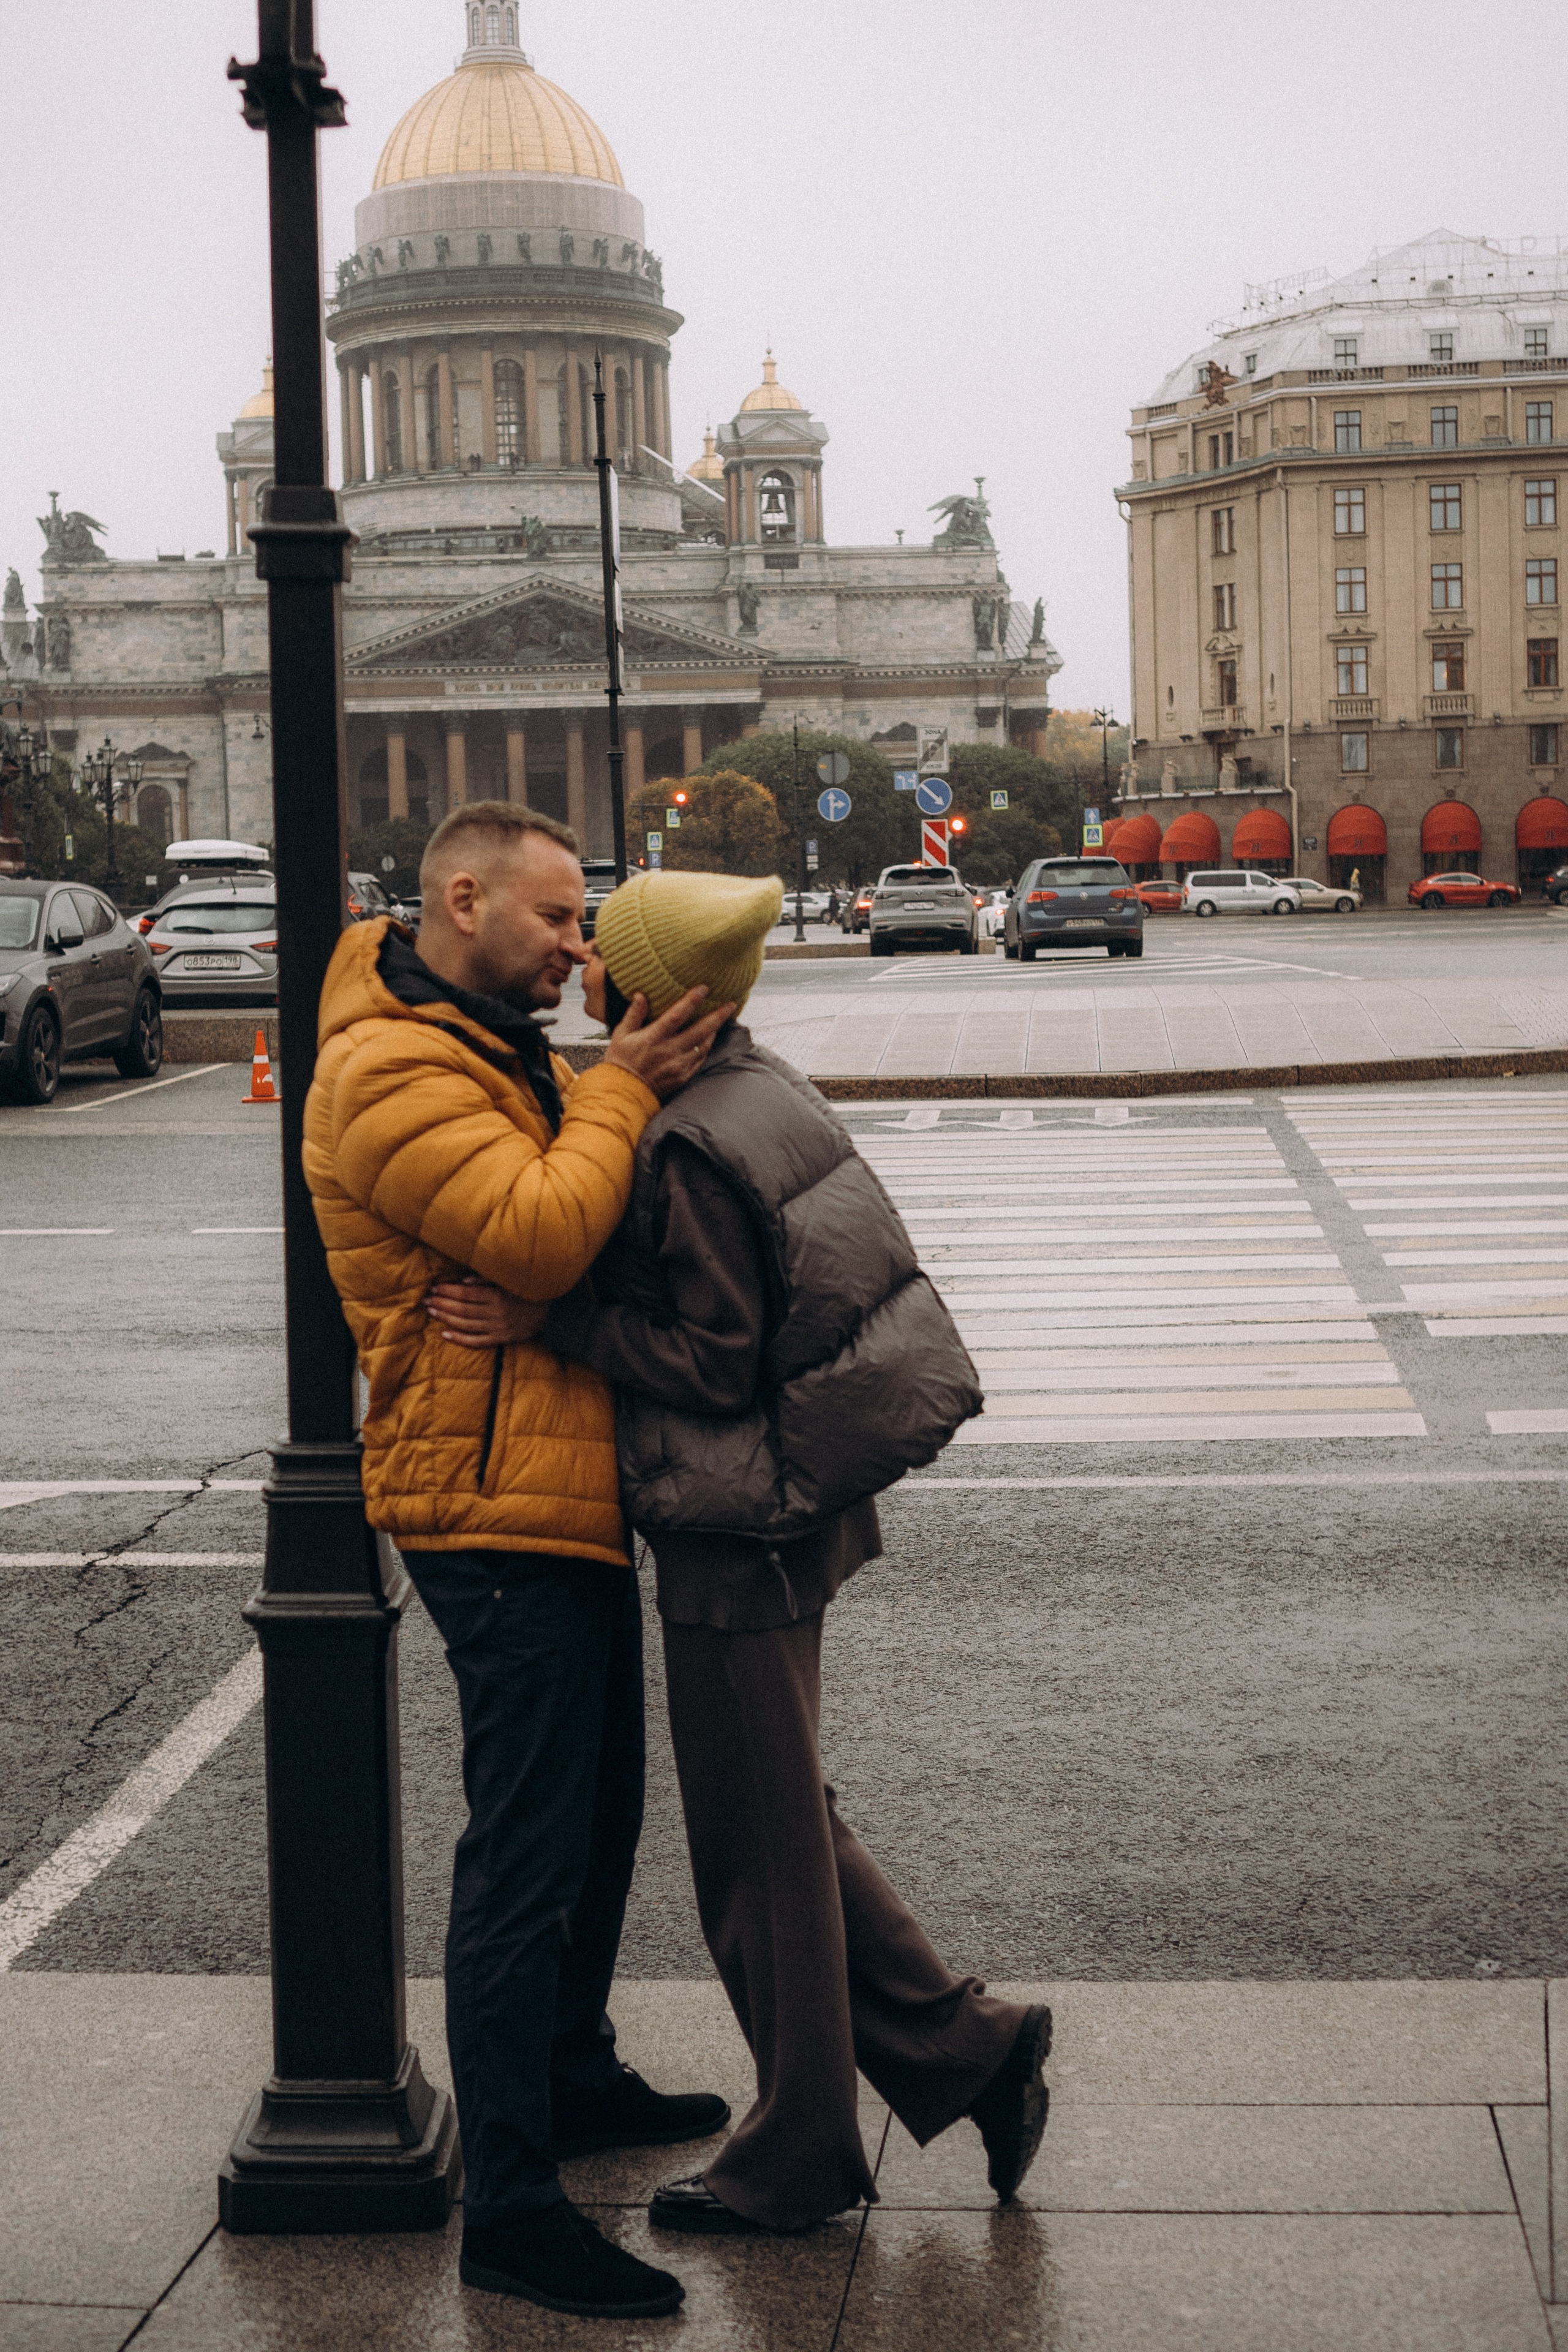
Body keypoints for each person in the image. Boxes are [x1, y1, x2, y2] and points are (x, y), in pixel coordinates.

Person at [428, 867, 1051, 2239]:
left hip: (736, 1525)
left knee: (755, 1864)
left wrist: (554, 1328)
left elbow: (713, 1364)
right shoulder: (750, 1082)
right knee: (787, 1827)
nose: (582, 956)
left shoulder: (685, 1140)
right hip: (786, 1515)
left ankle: (797, 2160)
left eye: (604, 942)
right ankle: (966, 2051)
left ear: (649, 989)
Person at [304, 804, 736, 2321]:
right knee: (525, 1858)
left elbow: (558, 1238)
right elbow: (542, 1233)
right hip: (482, 1495)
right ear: (463, 897)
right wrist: (613, 1090)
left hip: (551, 1476)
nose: (578, 948)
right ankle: (514, 2206)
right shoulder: (384, 1067)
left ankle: (572, 2072)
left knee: (597, 1813)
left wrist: (590, 1089)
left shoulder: (484, 1042)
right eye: (559, 922)